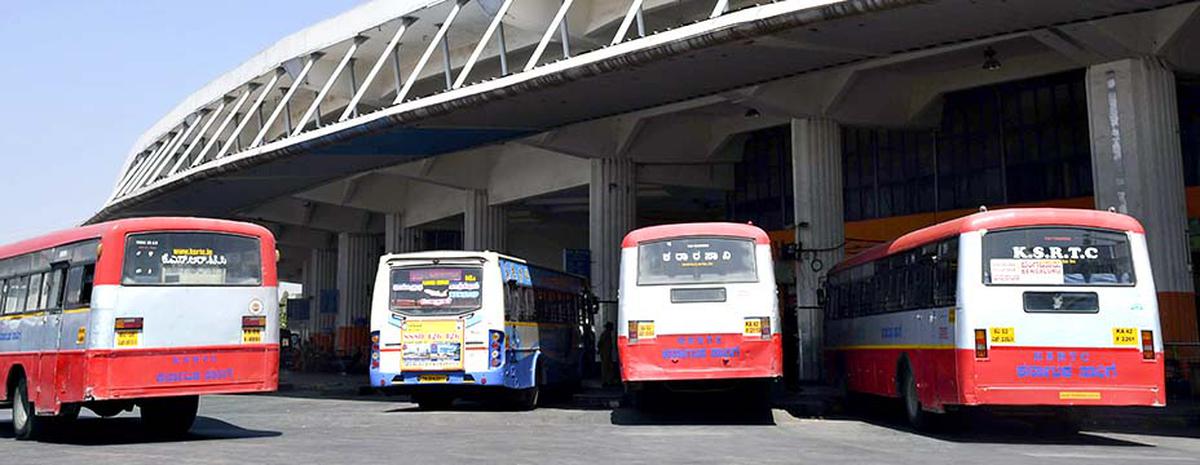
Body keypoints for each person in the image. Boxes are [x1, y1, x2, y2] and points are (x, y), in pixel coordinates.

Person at [598, 322, 618, 386]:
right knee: (606, 367)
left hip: (607, 353)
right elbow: (600, 342)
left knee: (608, 367)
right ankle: (606, 381)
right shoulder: (606, 334)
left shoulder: (606, 334)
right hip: (605, 353)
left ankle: (608, 380)